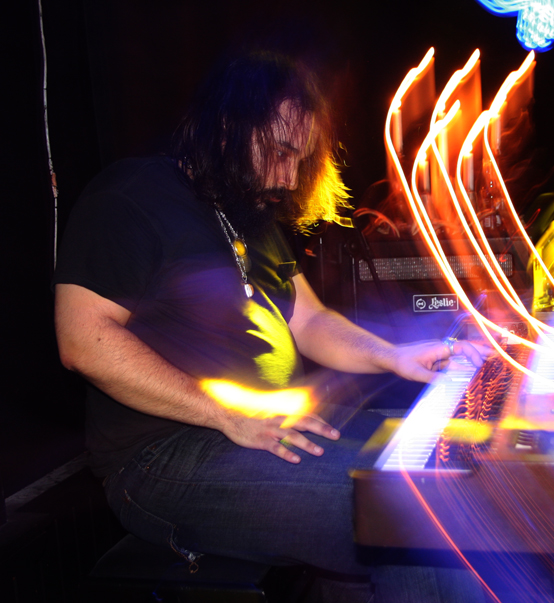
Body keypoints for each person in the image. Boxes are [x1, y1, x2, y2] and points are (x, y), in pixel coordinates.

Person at [53, 49, 489, 600]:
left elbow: (310, 319)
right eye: (280, 153)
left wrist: (394, 355)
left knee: (448, 475)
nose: (288, 177)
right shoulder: (131, 196)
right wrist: (226, 413)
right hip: (163, 457)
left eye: (298, 161)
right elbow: (83, 340)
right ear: (227, 126)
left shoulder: (250, 215)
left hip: (266, 426)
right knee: (406, 510)